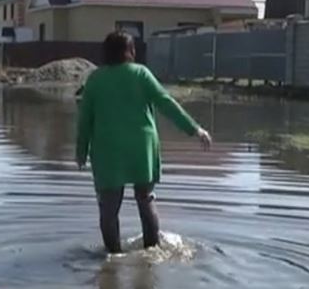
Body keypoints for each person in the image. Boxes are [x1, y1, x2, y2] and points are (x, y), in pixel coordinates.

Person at [76, 31, 212, 254]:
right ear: (130, 52)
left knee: (109, 209)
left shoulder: (95, 79)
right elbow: (166, 103)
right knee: (145, 199)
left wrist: (81, 151)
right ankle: (152, 252)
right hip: (142, 147)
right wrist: (195, 129)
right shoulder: (142, 74)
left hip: (108, 149)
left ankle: (113, 256)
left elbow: (85, 120)